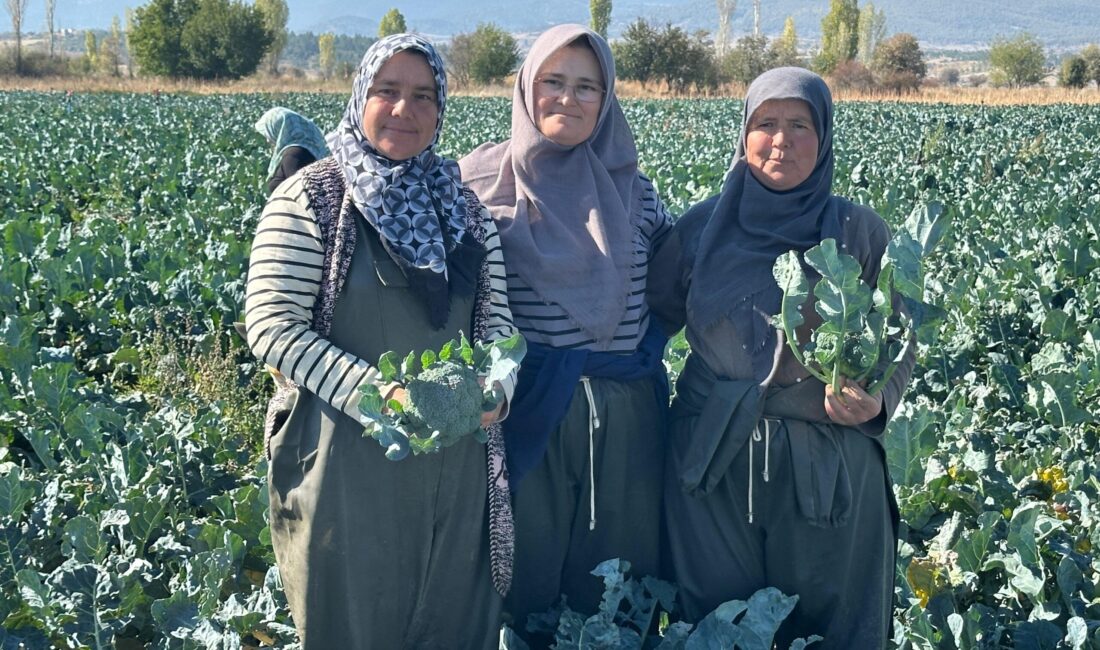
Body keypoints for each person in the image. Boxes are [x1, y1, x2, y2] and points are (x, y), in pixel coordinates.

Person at [243, 34, 517, 649]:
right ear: (359, 96)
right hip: (344, 462)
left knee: (451, 625)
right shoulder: (311, 197)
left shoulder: (465, 211)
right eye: (387, 91)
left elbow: (498, 324)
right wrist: (378, 394)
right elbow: (271, 323)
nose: (404, 110)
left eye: (423, 96)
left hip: (458, 467)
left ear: (441, 109)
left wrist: (499, 385)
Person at [647, 67, 914, 648]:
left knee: (834, 625)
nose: (781, 139)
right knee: (716, 624)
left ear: (825, 139)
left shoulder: (860, 231)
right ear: (744, 134)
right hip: (713, 461)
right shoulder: (700, 228)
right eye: (766, 123)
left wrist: (875, 404)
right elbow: (649, 322)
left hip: (828, 462)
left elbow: (901, 339)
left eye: (800, 125)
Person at [460, 23, 672, 643]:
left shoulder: (636, 191)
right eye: (553, 81)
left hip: (627, 411)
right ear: (528, 89)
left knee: (620, 576)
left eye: (588, 87)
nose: (568, 99)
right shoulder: (475, 185)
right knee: (523, 569)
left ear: (606, 102)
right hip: (524, 410)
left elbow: (673, 281)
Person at [254, 107, 329, 195]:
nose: (267, 140)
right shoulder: (305, 149)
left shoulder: (293, 155)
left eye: (268, 133)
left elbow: (303, 195)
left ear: (280, 129)